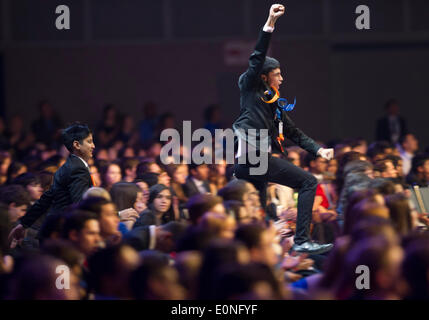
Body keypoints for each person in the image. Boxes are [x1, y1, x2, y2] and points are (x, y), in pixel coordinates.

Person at [232, 4, 333, 254]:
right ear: (264, 77)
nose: (282, 78)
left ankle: (252, 254)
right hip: (252, 156)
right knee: (309, 181)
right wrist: (270, 22)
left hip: (254, 163)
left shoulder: (273, 102)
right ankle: (301, 241)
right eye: (277, 74)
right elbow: (257, 56)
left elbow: (293, 132)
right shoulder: (250, 87)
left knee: (260, 212)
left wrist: (319, 151)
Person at [8, 123, 96, 245]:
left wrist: (23, 224)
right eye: (89, 141)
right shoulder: (78, 169)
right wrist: (115, 215)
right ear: (76, 145)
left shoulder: (67, 166)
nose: (93, 146)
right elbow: (78, 205)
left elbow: (46, 198)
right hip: (63, 236)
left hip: (52, 233)